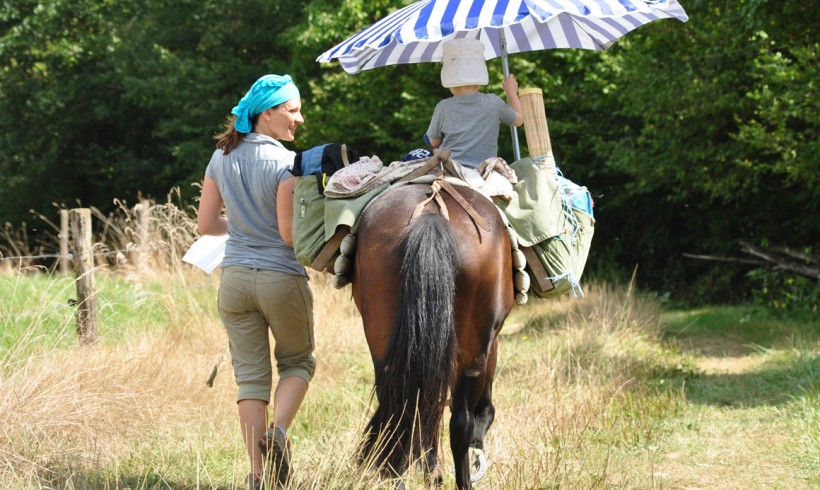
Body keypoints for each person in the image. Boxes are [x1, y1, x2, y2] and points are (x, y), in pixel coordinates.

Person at [197, 73, 312, 490]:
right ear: (268, 113)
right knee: (298, 362)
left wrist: (242, 226)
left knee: (250, 380)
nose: (299, 118)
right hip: (280, 277)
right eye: (292, 109)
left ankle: (257, 476)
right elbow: (287, 235)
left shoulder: (220, 157)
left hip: (235, 281)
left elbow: (206, 224)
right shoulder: (286, 164)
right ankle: (278, 432)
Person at [425, 38, 525, 168]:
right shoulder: (493, 102)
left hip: (451, 170)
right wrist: (511, 92)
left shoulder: (443, 107)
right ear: (480, 76)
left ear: (448, 79)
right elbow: (519, 120)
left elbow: (434, 142)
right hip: (484, 170)